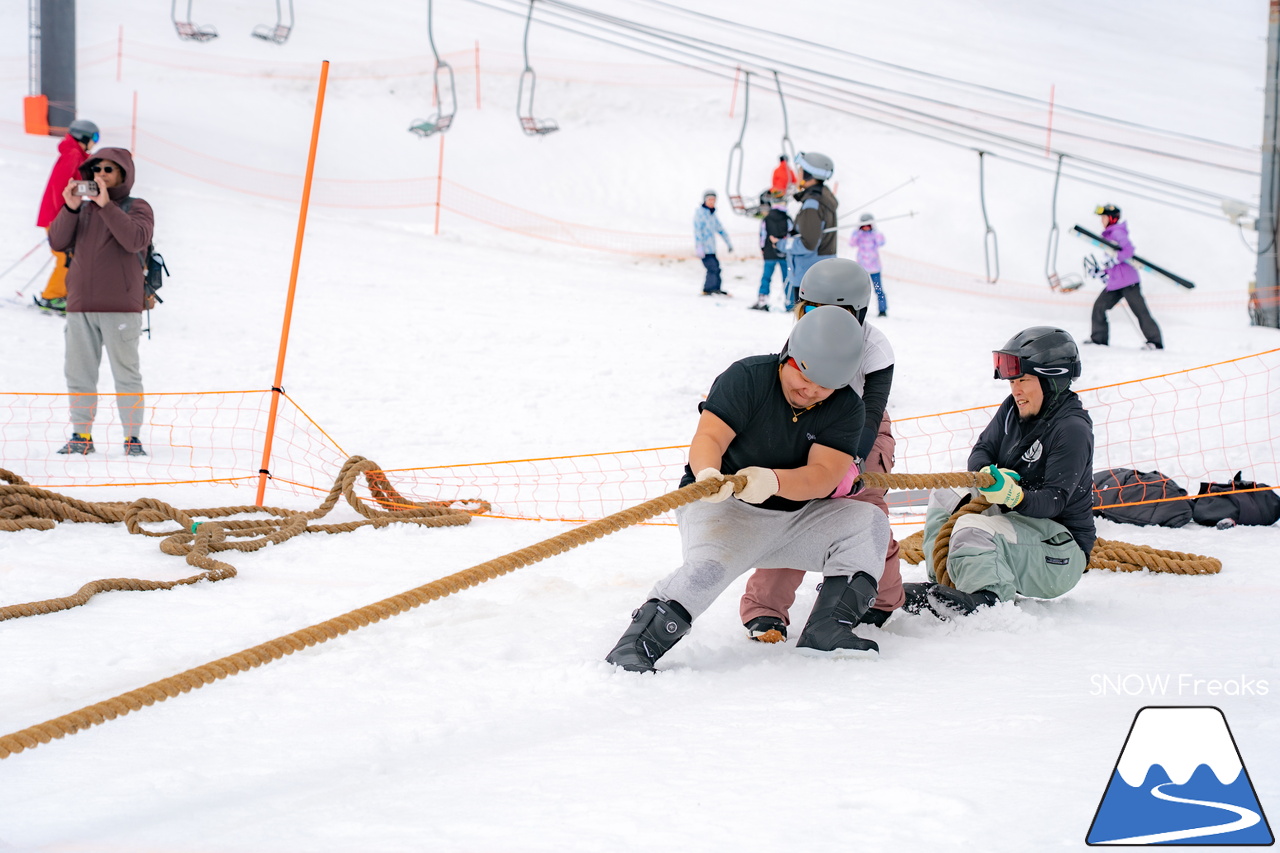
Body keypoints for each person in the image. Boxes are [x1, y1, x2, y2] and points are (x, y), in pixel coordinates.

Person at [605, 306, 891, 672]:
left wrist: (774, 481)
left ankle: (828, 628)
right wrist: (707, 474)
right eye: (804, 376)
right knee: (707, 570)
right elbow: (710, 435)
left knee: (867, 521)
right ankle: (637, 645)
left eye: (825, 386)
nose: (811, 390)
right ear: (789, 355)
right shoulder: (747, 377)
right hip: (725, 508)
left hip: (796, 516)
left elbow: (823, 474)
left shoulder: (847, 408)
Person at [739, 258, 904, 639]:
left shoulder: (875, 348)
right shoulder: (803, 334)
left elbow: (871, 410)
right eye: (812, 309)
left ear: (858, 312)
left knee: (864, 511)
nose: (822, 319)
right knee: (796, 508)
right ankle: (766, 608)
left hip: (865, 429)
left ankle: (879, 597)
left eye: (836, 311)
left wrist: (853, 463)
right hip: (812, 419)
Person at [902, 326, 1095, 619]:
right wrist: (988, 473)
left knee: (972, 528)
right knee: (945, 495)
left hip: (1060, 553)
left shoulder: (1072, 430)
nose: (1015, 389)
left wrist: (1014, 496)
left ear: (1052, 380)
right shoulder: (1013, 409)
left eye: (1024, 380)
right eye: (1012, 381)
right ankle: (944, 582)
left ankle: (988, 601)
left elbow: (1055, 501)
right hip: (1020, 526)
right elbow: (981, 451)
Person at [47, 147, 155, 457]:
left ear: (123, 174)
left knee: (126, 373)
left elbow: (135, 239)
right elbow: (57, 242)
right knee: (78, 373)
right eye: (96, 169)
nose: (101, 175)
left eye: (109, 169)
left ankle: (132, 438)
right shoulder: (82, 209)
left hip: (121, 308)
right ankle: (81, 436)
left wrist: (107, 206)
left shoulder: (138, 207)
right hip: (80, 307)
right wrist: (69, 208)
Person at [34, 118, 99, 315]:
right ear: (83, 136)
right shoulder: (72, 154)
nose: (96, 141)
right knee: (65, 257)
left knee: (70, 256)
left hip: (61, 215)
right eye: (94, 137)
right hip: (58, 217)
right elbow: (62, 187)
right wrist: (67, 215)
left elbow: (74, 185)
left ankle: (60, 294)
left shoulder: (75, 154)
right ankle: (51, 297)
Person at [1086, 204, 1163, 350]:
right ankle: (1098, 339)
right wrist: (1102, 272)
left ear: (1111, 218)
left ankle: (1155, 342)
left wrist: (1114, 260)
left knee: (1140, 311)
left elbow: (1128, 250)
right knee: (1099, 307)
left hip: (1128, 282)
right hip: (1115, 283)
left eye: (1103, 217)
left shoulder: (1117, 233)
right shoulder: (1109, 235)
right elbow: (1115, 263)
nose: (1101, 220)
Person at [779, 151, 838, 311]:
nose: (797, 174)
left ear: (808, 174)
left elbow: (808, 244)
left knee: (808, 326)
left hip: (809, 276)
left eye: (800, 170)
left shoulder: (812, 204)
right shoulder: (823, 197)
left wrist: (781, 244)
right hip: (819, 273)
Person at [753, 192, 791, 310]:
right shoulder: (787, 218)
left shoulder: (767, 218)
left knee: (766, 277)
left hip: (769, 252)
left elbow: (763, 235)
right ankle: (790, 302)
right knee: (787, 278)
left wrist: (763, 249)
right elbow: (791, 234)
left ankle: (762, 300)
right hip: (784, 252)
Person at [693, 188, 733, 297]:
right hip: (704, 249)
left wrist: (728, 243)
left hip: (711, 248)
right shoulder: (700, 214)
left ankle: (716, 288)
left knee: (717, 268)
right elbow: (697, 231)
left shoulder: (712, 215)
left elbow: (720, 229)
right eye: (709, 199)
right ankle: (708, 289)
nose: (712, 202)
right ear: (705, 200)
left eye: (713, 200)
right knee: (713, 268)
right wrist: (699, 247)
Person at [849, 212, 888, 317]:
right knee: (859, 289)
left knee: (878, 289)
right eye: (864, 225)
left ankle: (882, 310)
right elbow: (852, 243)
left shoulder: (874, 234)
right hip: (862, 268)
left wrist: (876, 231)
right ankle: (856, 309)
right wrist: (856, 232)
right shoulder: (859, 234)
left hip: (874, 268)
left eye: (868, 225)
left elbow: (881, 242)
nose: (866, 228)